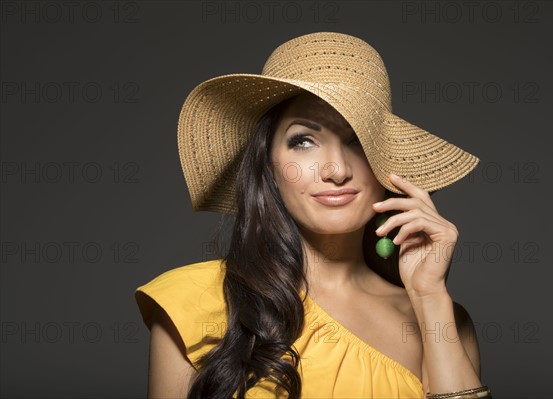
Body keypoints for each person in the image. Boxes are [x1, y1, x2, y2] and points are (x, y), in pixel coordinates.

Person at [134, 32, 491, 399]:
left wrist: (429, 296)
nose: (336, 169)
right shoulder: (191, 300)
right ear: (268, 167)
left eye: (358, 141)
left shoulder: (444, 319)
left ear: (387, 165)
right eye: (303, 141)